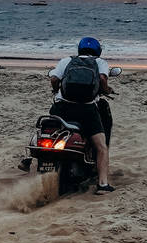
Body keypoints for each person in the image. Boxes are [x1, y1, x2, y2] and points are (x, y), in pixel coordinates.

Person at [49, 36, 114, 193]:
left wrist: (56, 89)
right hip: (86, 110)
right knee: (101, 146)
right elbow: (102, 78)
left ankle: (28, 159)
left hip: (61, 107)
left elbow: (53, 78)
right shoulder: (100, 63)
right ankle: (103, 184)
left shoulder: (66, 60)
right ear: (98, 51)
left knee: (49, 131)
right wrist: (106, 90)